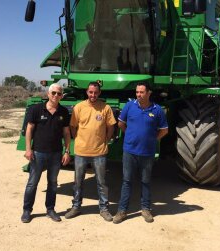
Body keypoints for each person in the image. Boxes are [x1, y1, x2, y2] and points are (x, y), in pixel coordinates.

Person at [113, 82, 168, 224]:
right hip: (129, 151)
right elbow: (120, 123)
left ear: (149, 93)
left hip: (147, 152)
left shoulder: (157, 110)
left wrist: (152, 139)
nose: (138, 94)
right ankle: (122, 211)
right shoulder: (129, 106)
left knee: (146, 182)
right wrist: (130, 135)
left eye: (141, 92)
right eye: (137, 92)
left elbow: (164, 130)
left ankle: (146, 209)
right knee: (127, 181)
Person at [65, 81, 117, 221]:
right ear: (87, 92)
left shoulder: (105, 108)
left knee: (101, 182)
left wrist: (106, 138)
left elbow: (111, 126)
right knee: (78, 182)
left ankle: (104, 209)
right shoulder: (79, 107)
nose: (93, 94)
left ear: (99, 93)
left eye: (95, 92)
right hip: (81, 151)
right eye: (90, 92)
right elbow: (73, 126)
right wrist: (77, 138)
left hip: (99, 151)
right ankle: (76, 207)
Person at [21, 83, 71, 223]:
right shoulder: (36, 109)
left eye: (59, 94)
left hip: (56, 154)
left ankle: (50, 209)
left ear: (62, 96)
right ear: (48, 94)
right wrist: (28, 149)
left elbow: (66, 133)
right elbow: (29, 129)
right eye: (53, 93)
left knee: (53, 183)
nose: (56, 96)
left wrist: (67, 151)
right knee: (32, 183)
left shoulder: (63, 112)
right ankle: (27, 210)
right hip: (38, 153)